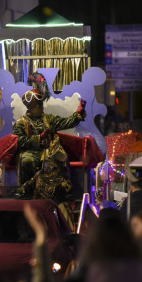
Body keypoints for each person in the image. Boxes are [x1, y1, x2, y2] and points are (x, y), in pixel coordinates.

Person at [13, 71, 85, 201]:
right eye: (38, 105)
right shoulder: (21, 123)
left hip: (51, 150)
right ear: (31, 107)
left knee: (61, 159)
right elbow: (18, 141)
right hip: (32, 151)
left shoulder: (49, 119)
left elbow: (66, 122)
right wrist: (38, 138)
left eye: (41, 105)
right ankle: (27, 192)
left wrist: (78, 113)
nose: (41, 108)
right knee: (26, 161)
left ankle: (64, 192)